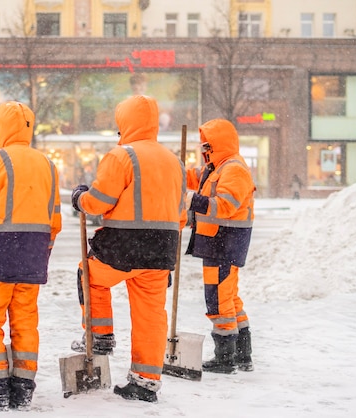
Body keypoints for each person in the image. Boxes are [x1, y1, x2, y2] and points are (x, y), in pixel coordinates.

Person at [70, 95, 187, 403]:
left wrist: (80, 197)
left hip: (122, 247)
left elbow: (99, 201)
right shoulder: (175, 162)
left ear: (124, 122)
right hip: (163, 249)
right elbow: (182, 214)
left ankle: (101, 336)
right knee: (150, 314)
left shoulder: (122, 155)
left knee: (89, 276)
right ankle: (146, 380)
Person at [0, 101, 62, 411]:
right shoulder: (48, 165)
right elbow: (54, 219)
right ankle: (23, 386)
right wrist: (41, 249)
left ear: (0, 131)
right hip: (33, 254)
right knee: (25, 320)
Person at [184, 119, 256, 374]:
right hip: (218, 241)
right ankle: (242, 354)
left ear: (217, 144)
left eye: (207, 145)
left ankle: (225, 357)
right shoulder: (217, 167)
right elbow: (194, 177)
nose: (204, 151)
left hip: (224, 242)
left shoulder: (234, 169)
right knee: (229, 297)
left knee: (218, 299)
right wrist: (175, 171)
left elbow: (225, 206)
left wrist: (193, 201)